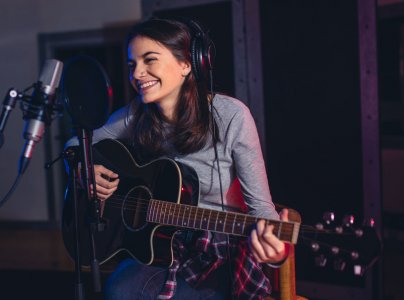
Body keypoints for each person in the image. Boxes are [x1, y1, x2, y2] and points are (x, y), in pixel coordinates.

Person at [66, 18, 289, 299]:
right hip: (161, 244)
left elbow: (261, 207)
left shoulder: (232, 115)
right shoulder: (136, 113)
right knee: (120, 290)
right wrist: (84, 170)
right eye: (132, 65)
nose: (138, 73)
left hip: (217, 250)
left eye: (150, 60)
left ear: (187, 64)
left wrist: (277, 252)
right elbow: (77, 143)